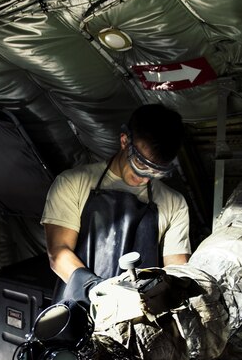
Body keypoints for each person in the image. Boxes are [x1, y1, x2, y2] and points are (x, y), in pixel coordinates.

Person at [41, 103, 191, 306]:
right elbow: (59, 253)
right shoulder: (73, 183)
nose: (145, 178)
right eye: (141, 165)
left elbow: (176, 268)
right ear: (124, 141)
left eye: (156, 172)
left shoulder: (174, 203)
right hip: (80, 308)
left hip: (139, 313)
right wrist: (99, 292)